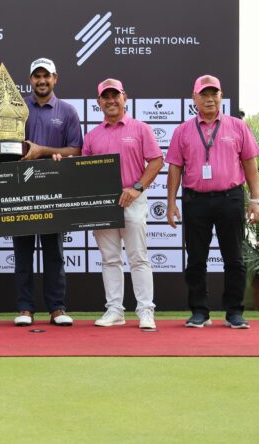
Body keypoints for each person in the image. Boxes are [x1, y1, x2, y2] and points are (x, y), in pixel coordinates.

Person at [0, 58, 82, 326]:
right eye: (37, 76)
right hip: (19, 187)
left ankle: (57, 308)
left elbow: (76, 150)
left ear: (55, 78)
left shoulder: (67, 111)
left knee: (54, 252)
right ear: (31, 79)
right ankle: (25, 308)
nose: (41, 81)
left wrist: (43, 151)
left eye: (46, 76)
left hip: (53, 188)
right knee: (22, 252)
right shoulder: (16, 106)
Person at [166, 75, 259, 329]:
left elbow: (250, 163)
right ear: (194, 98)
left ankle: (234, 312)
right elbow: (175, 168)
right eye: (204, 94)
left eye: (214, 94)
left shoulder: (238, 126)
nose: (209, 99)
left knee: (234, 258)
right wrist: (171, 203)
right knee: (196, 259)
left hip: (230, 198)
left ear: (221, 96)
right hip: (195, 200)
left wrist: (255, 199)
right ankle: (199, 311)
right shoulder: (182, 130)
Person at [79, 78, 163, 329]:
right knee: (110, 259)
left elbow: (156, 161)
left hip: (132, 200)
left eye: (115, 95)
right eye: (105, 97)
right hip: (103, 203)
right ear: (99, 102)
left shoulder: (141, 128)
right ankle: (115, 310)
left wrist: (137, 188)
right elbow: (82, 170)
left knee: (138, 257)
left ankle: (146, 311)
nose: (111, 100)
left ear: (124, 98)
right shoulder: (92, 136)